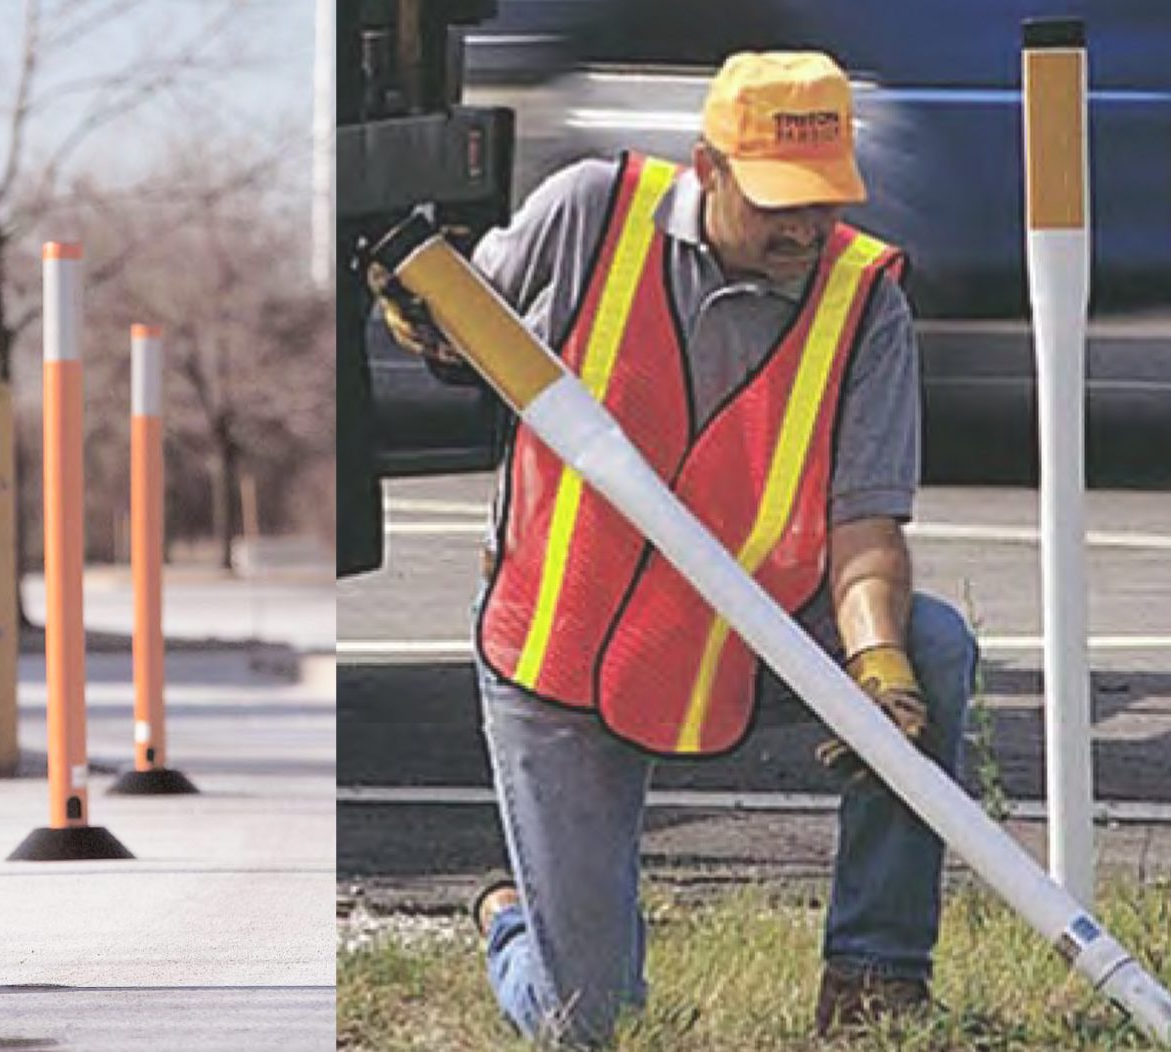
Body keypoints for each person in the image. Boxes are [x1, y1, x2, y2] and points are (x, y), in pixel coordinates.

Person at [371, 50, 978, 1045]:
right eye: (778, 200)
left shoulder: (864, 301)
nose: (803, 228)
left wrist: (875, 669)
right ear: (708, 167)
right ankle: (513, 922)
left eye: (822, 200)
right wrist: (420, 315)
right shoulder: (588, 211)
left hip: (743, 632)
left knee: (935, 644)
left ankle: (873, 976)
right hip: (559, 644)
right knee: (586, 1023)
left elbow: (865, 528)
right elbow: (461, 324)